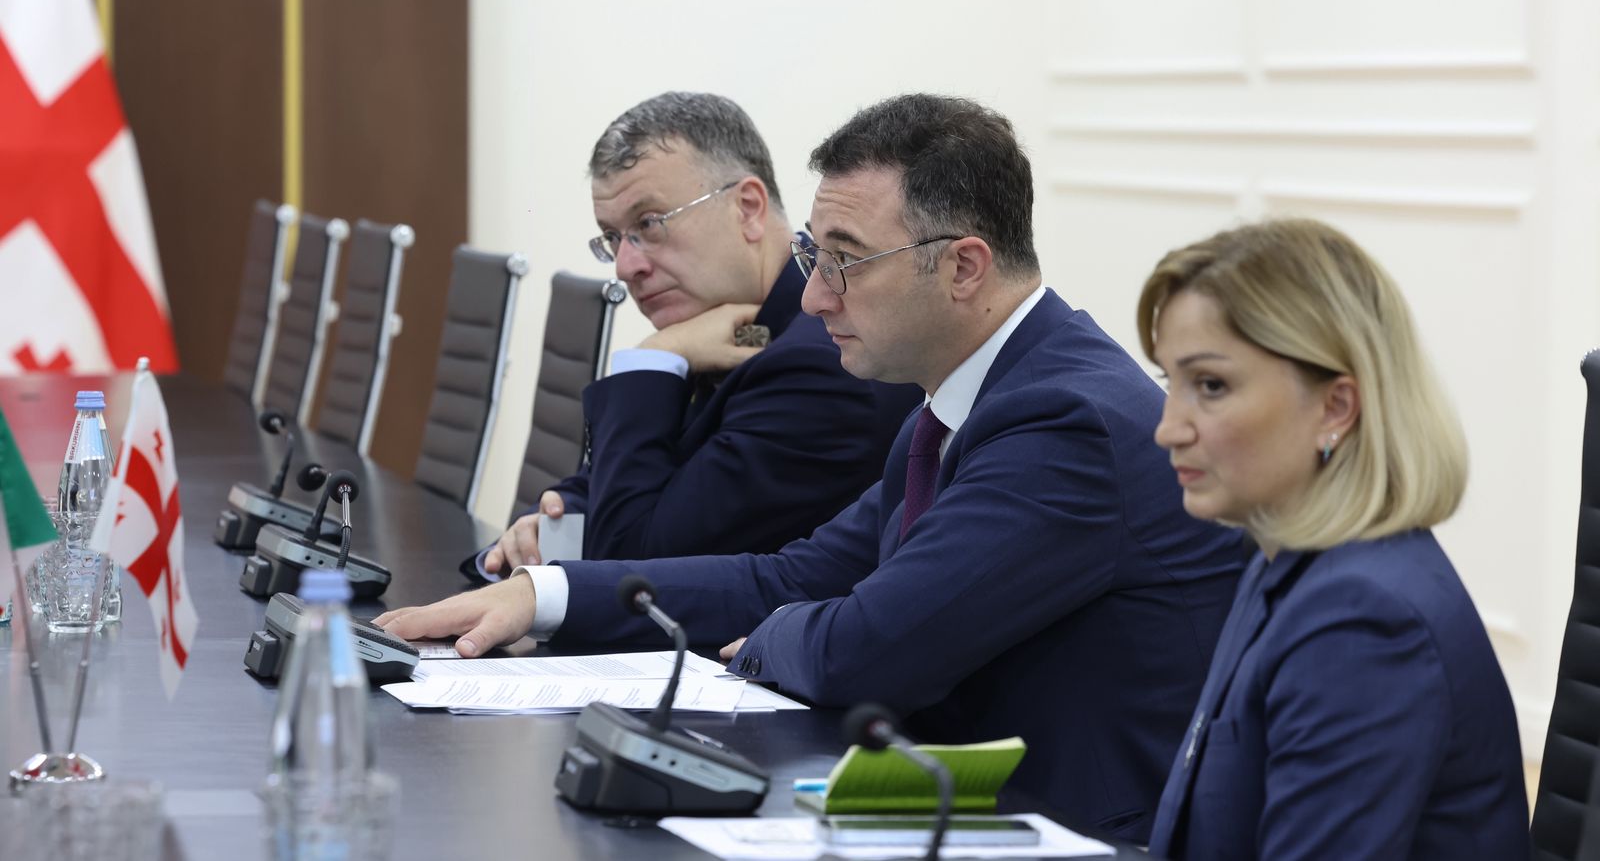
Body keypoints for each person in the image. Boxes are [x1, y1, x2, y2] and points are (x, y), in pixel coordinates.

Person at [383, 94, 1244, 841]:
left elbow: (867, 649)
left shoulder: (1062, 422)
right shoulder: (957, 402)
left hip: (1073, 832)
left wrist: (771, 635)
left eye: (844, 261)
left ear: (963, 266)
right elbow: (795, 576)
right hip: (963, 807)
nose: (816, 295)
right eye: (812, 258)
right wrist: (544, 595)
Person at [1138, 219, 1528, 859]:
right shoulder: (1283, 559)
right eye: (1168, 384)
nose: (1168, 428)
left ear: (1336, 407)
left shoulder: (1361, 620)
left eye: (1210, 386)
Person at [472, 92, 919, 576]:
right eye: (613, 238)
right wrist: (550, 520)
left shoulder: (823, 365)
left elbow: (630, 566)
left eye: (649, 223)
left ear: (747, 208)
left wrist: (654, 356)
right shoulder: (745, 329)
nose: (625, 266)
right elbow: (628, 481)